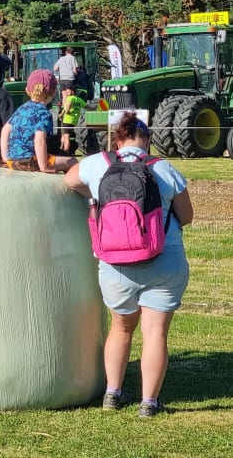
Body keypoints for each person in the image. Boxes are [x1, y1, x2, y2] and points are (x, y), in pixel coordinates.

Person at [64, 112, 193, 417]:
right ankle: (149, 402)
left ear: (117, 140)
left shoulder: (98, 164)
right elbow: (186, 217)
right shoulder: (163, 167)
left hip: (114, 263)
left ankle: (112, 393)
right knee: (155, 332)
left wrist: (94, 193)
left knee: (121, 328)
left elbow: (69, 181)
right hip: (163, 258)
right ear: (146, 140)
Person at [1, 69, 77, 173]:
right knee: (72, 161)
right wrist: (44, 167)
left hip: (12, 161)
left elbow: (5, 130)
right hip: (30, 161)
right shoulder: (43, 112)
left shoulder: (21, 109)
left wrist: (6, 158)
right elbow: (40, 140)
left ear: (27, 90)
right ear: (54, 92)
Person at [59, 85, 87, 153]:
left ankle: (66, 151)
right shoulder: (79, 100)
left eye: (68, 90)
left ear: (72, 91)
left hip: (67, 120)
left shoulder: (70, 98)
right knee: (65, 135)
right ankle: (62, 148)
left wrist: (61, 114)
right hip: (74, 121)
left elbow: (67, 107)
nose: (67, 92)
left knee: (66, 136)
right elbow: (86, 106)